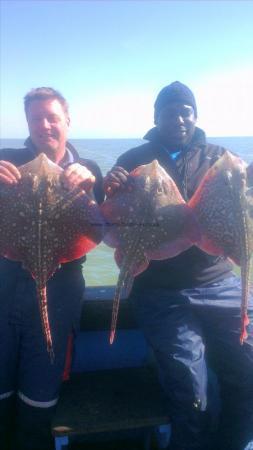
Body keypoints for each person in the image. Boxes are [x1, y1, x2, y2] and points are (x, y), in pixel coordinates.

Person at [103, 81, 253, 450]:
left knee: (248, 370)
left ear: (196, 115)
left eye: (186, 110)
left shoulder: (221, 159)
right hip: (161, 290)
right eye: (170, 111)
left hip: (219, 282)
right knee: (191, 390)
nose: (179, 118)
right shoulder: (132, 160)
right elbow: (108, 219)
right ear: (156, 117)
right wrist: (110, 188)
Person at [0, 87, 104, 450]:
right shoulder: (6, 160)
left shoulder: (87, 171)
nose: (44, 125)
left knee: (38, 403)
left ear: (68, 121)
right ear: (26, 124)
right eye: (35, 119)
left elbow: (103, 227)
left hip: (57, 299)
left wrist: (90, 185)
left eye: (52, 117)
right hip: (3, 291)